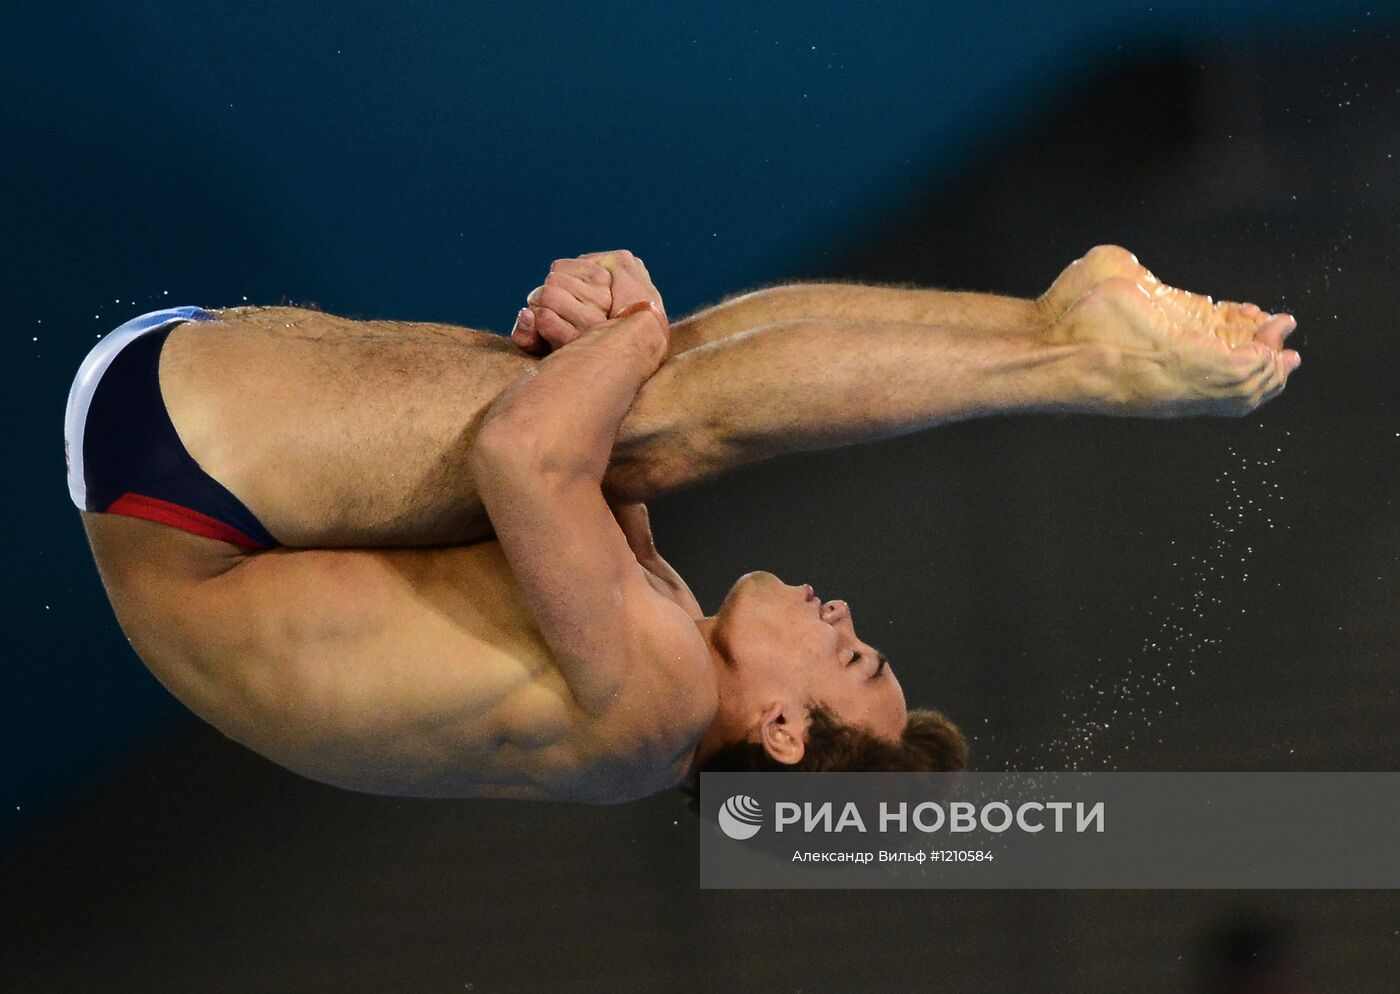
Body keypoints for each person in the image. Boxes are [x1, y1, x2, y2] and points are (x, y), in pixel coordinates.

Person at [66, 246, 1299, 802]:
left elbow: (525, 448)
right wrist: (618, 315)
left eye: (850, 657)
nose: (841, 614)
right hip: (195, 466)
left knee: (664, 403)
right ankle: (1050, 325)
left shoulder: (650, 710)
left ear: (775, 729)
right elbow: (578, 429)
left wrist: (629, 329)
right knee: (661, 391)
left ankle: (1067, 354)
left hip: (182, 486)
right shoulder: (657, 638)